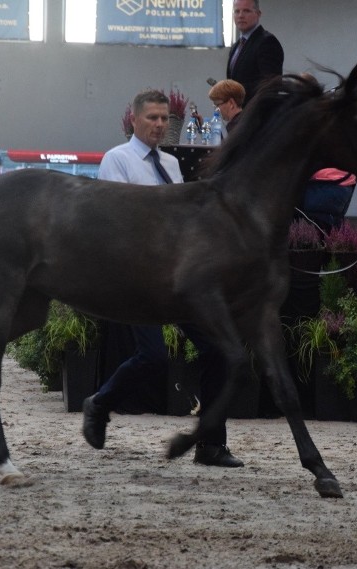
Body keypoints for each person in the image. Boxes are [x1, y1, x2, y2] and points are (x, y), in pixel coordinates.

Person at [81, 89, 243, 468]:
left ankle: (211, 445)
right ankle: (100, 402)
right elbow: (111, 222)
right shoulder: (116, 160)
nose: (159, 125)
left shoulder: (170, 164)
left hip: (179, 278)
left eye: (163, 119)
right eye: (152, 118)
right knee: (152, 357)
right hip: (137, 278)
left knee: (219, 349)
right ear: (134, 120)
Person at [226, 0, 283, 103]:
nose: (240, 16)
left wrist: (235, 90)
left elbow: (271, 85)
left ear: (258, 14)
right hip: (238, 114)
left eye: (246, 11)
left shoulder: (267, 42)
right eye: (236, 11)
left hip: (258, 114)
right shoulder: (236, 46)